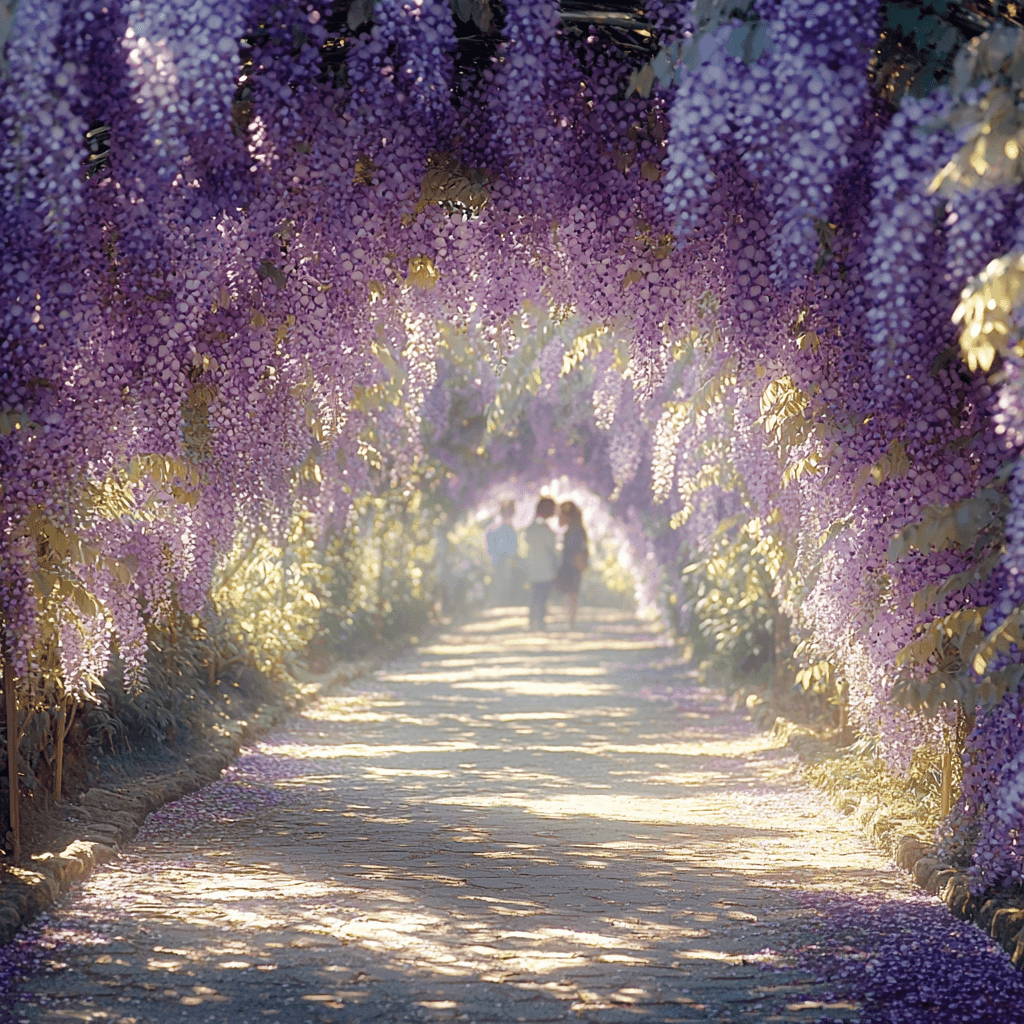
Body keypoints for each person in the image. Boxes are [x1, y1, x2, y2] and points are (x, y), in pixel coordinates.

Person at [523, 496, 558, 629]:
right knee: (542, 596)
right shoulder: (545, 530)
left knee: (535, 595)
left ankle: (533, 620)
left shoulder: (531, 529)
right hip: (545, 568)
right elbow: (552, 548)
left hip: (533, 567)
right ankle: (539, 622)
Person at [556, 501, 588, 629]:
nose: (558, 518)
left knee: (572, 594)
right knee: (571, 594)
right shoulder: (574, 529)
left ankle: (571, 622)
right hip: (571, 566)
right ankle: (571, 621)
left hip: (572, 567)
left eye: (561, 515)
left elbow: (577, 550)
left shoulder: (574, 531)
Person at [485, 500, 518, 606]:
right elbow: (492, 544)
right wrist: (495, 558)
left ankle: (503, 601)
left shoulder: (508, 526)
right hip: (500, 558)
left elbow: (513, 545)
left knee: (505, 580)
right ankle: (499, 602)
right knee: (500, 581)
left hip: (506, 558)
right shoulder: (498, 526)